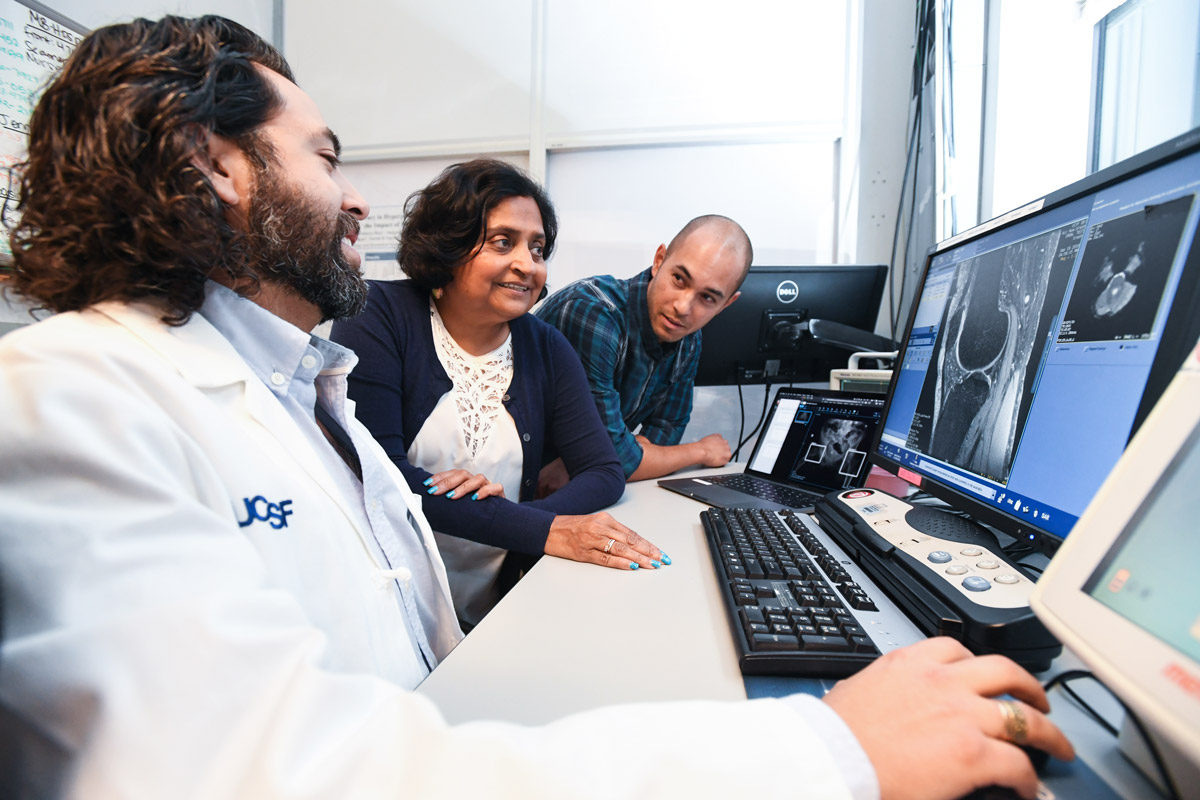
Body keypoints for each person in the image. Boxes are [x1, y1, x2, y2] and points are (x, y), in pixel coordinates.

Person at [0, 15, 1073, 799]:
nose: (358, 194)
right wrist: (828, 751)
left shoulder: (299, 390)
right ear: (213, 166)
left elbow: (560, 494)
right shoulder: (68, 399)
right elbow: (270, 770)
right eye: (326, 159)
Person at [330, 160, 664, 627]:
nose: (528, 265)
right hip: (389, 602)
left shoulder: (545, 345)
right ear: (449, 243)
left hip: (493, 606)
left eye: (539, 248)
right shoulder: (379, 313)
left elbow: (604, 470)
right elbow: (376, 476)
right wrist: (537, 528)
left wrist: (519, 521)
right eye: (503, 242)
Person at [535, 216, 750, 488]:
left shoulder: (688, 337)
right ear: (659, 260)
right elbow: (610, 460)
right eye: (679, 279)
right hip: (513, 489)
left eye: (707, 298)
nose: (683, 307)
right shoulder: (593, 312)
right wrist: (701, 451)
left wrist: (628, 451)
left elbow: (667, 429)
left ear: (726, 304)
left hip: (575, 491)